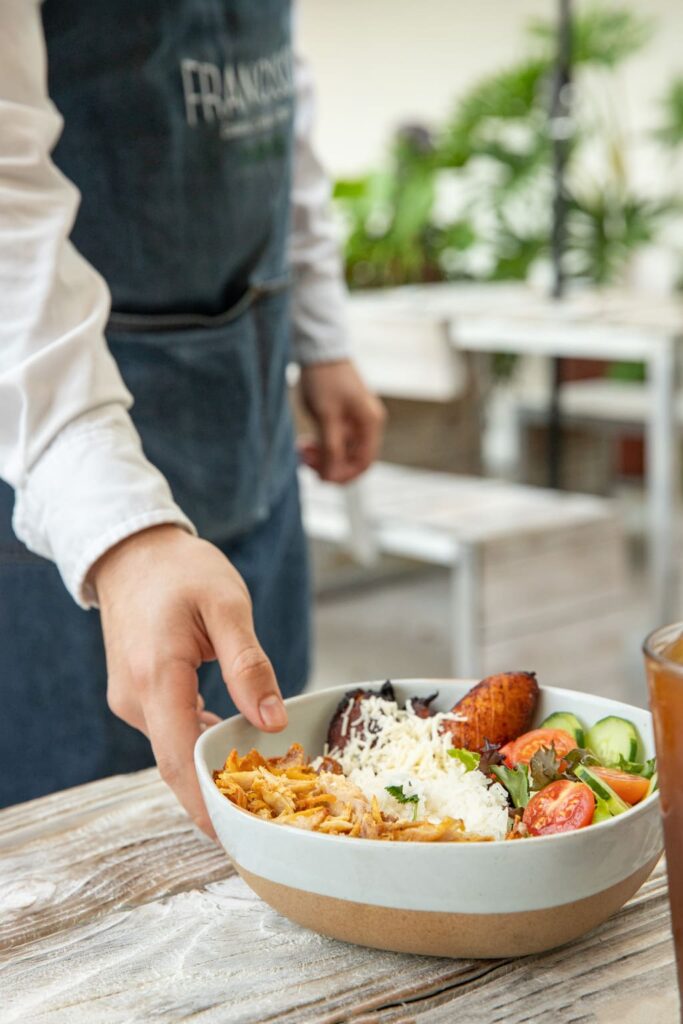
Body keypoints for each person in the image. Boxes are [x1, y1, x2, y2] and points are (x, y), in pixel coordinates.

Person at [0, 1, 384, 833]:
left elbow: (275, 80)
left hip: (252, 406)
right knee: (94, 847)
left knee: (291, 799)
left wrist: (318, 332)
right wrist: (121, 533)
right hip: (63, 431)